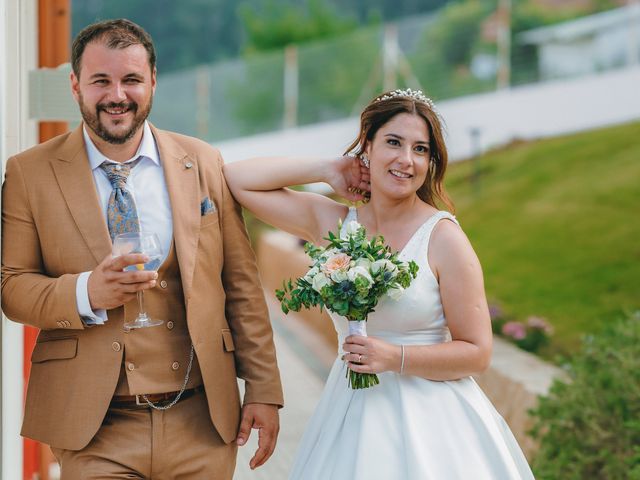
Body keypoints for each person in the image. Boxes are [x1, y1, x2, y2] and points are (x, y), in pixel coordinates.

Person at [1, 19, 283, 479]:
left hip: (202, 417)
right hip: (95, 426)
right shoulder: (29, 173)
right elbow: (11, 287)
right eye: (100, 81)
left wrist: (264, 388)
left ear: (153, 80)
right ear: (76, 86)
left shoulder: (203, 161)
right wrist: (86, 292)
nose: (117, 94)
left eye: (131, 79)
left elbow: (241, 285)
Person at [223, 88, 535, 479]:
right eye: (393, 142)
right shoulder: (335, 225)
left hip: (435, 424)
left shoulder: (443, 238)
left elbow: (477, 352)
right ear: (367, 145)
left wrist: (395, 358)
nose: (406, 160)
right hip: (350, 412)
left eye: (421, 149)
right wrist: (327, 170)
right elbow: (236, 179)